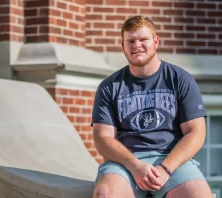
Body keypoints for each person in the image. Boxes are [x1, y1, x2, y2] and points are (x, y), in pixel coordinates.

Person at [91, 15, 213, 198]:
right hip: (125, 163)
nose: (136, 45)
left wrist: (165, 169)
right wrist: (135, 166)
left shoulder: (180, 79)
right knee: (105, 194)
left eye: (143, 39)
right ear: (122, 45)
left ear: (156, 42)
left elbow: (196, 133)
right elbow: (102, 138)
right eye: (130, 41)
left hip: (172, 161)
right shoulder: (109, 87)